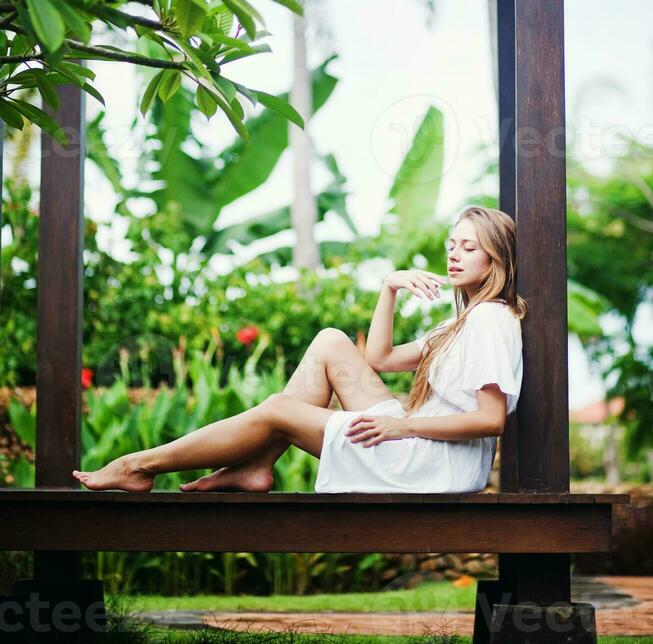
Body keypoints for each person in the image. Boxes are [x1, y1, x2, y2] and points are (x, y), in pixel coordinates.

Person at [72, 205, 526, 494]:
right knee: (331, 340)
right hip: (416, 443)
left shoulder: (490, 319)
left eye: (469, 247)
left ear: (495, 259)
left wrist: (398, 427)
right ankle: (255, 467)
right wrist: (389, 288)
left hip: (430, 461)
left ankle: (140, 465)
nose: (454, 254)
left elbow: (491, 420)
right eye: (451, 245)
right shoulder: (459, 324)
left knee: (277, 410)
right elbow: (379, 360)